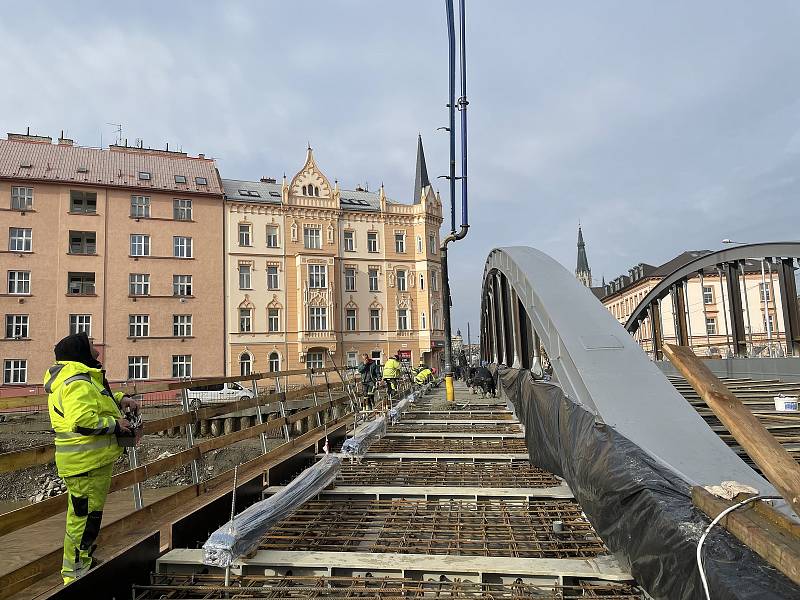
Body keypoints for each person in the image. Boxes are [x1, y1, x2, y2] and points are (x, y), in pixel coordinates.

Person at [44, 332, 139, 584]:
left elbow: (95, 402)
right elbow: (82, 421)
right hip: (84, 463)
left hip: (92, 462)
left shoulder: (83, 378)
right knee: (82, 520)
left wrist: (120, 398)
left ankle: (82, 561)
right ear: (81, 352)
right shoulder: (76, 381)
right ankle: (74, 573)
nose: (97, 350)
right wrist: (117, 425)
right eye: (91, 346)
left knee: (89, 517)